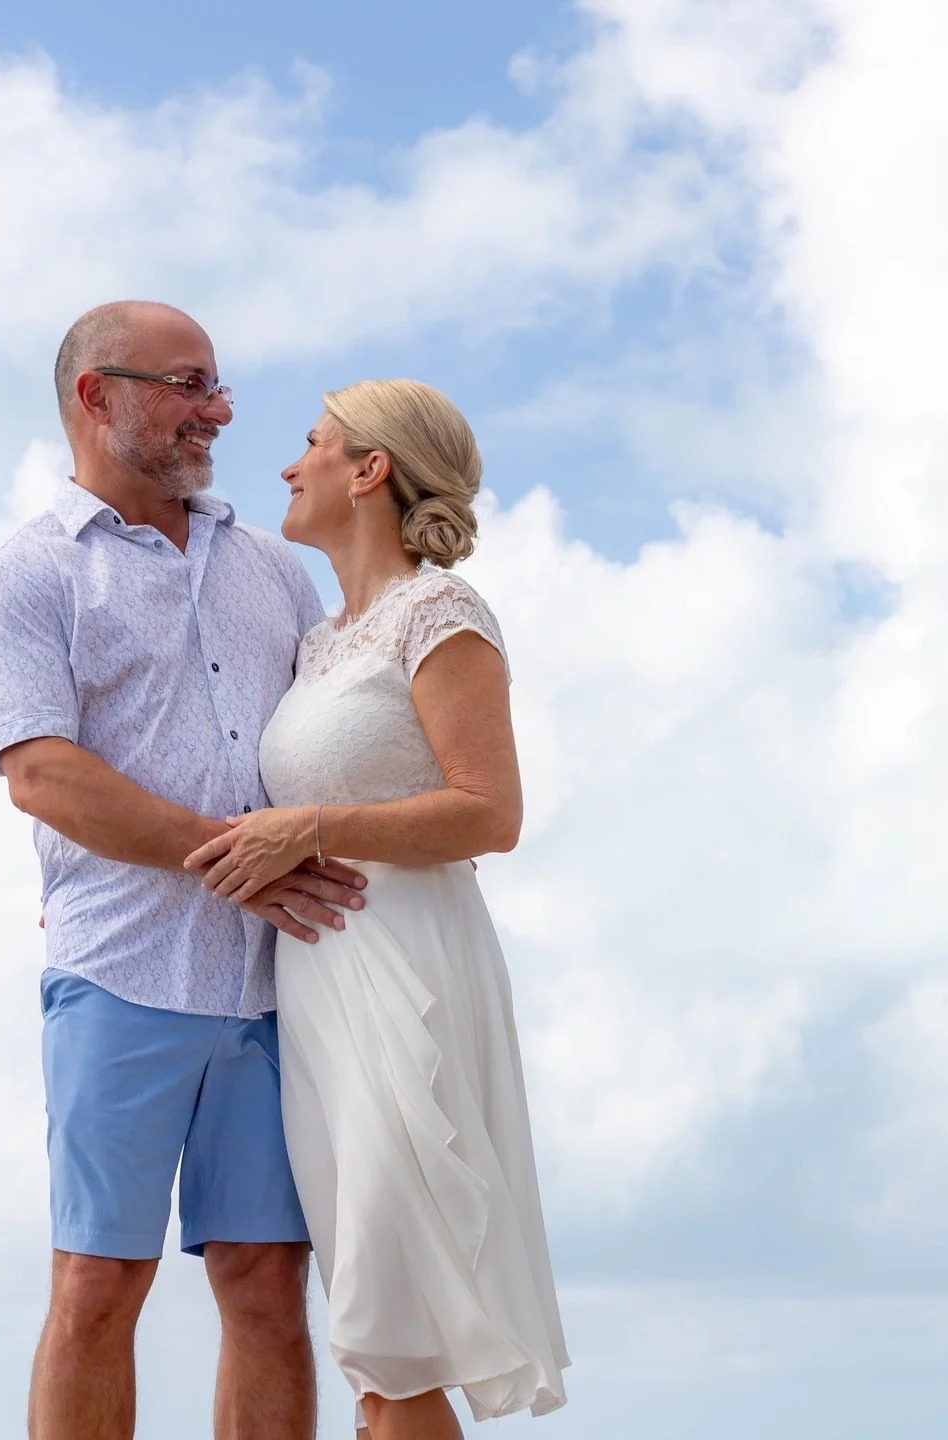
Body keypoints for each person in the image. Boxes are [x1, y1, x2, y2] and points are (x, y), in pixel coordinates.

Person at [0, 300, 367, 1440]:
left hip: (285, 987)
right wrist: (239, 862)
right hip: (121, 977)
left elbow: (330, 731)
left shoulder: (272, 569)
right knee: (99, 1289)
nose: (222, 409)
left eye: (218, 385)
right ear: (100, 396)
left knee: (266, 1286)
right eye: (190, 384)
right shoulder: (26, 578)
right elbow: (43, 775)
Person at [184, 379, 571, 1438]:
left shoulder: (441, 613)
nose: (286, 464)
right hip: (318, 991)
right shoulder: (316, 644)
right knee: (373, 1335)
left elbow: (490, 813)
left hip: (409, 977)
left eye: (311, 443)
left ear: (371, 471)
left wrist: (311, 826)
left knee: (392, 1327)